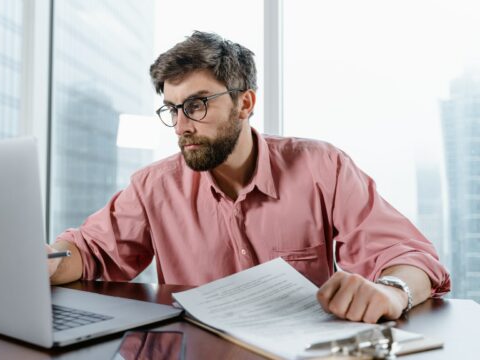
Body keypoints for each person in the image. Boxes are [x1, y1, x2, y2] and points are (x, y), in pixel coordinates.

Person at [46, 31, 450, 324]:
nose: (181, 125)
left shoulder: (322, 167)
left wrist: (392, 291)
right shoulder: (154, 186)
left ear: (245, 103)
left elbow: (408, 255)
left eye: (197, 104)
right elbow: (88, 251)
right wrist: (41, 261)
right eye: (172, 109)